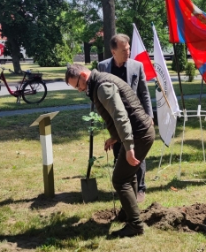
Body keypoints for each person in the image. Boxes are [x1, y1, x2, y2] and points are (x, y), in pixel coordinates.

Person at [65, 64, 155, 238]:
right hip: (140, 133)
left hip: (139, 135)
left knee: (120, 179)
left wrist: (128, 146)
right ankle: (128, 213)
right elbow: (119, 115)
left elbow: (120, 116)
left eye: (78, 85)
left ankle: (135, 225)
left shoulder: (102, 86)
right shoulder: (100, 81)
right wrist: (115, 137)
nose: (78, 90)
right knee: (128, 176)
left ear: (83, 75)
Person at [98, 33, 153, 203]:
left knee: (137, 154)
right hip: (117, 120)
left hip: (135, 118)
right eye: (123, 50)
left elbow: (144, 92)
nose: (128, 52)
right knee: (120, 153)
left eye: (128, 48)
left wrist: (149, 116)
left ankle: (140, 188)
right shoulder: (102, 67)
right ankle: (125, 186)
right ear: (113, 51)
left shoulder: (137, 66)